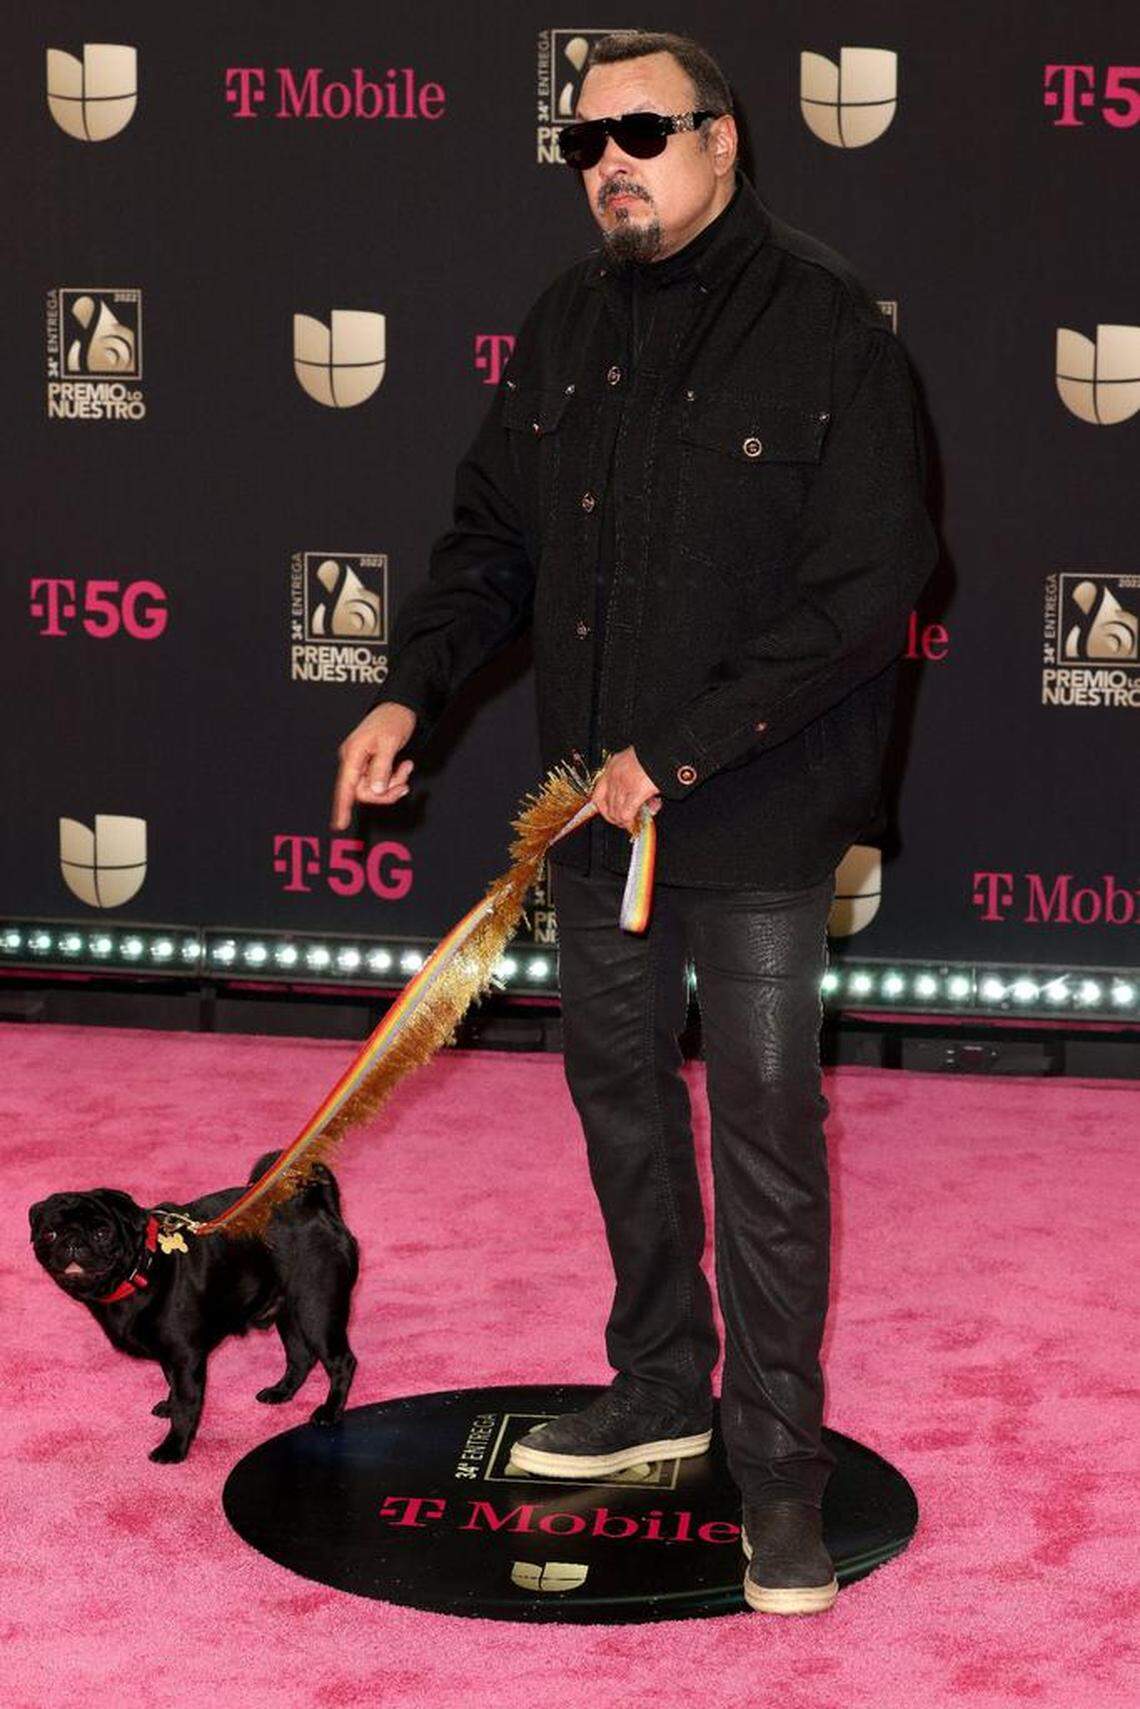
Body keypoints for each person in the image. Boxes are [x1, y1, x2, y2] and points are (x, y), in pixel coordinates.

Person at [330, 29, 938, 1616]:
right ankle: (660, 1386)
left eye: (644, 130)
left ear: (725, 141)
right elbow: (488, 544)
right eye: (584, 139)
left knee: (764, 1141)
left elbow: (872, 591)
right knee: (620, 1107)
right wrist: (411, 691)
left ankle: (782, 1473)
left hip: (755, 816)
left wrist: (679, 748)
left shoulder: (827, 328)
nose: (610, 159)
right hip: (591, 827)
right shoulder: (565, 325)